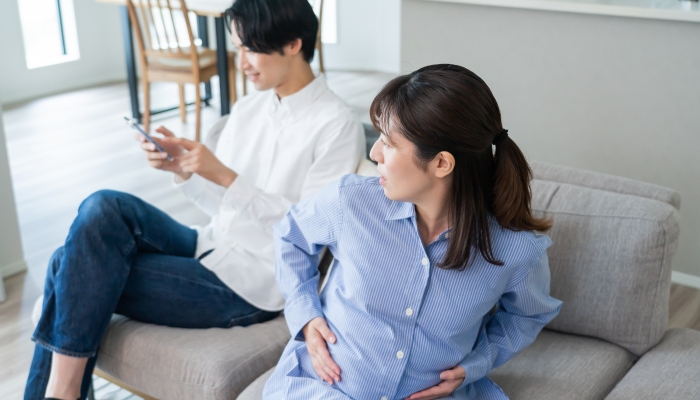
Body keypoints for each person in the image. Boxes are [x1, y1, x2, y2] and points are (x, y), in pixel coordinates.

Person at [24, 0, 364, 398]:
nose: (241, 63)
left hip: (254, 282)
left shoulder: (336, 126)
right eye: (237, 49)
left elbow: (310, 231)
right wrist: (185, 170)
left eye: (250, 48)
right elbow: (224, 207)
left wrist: (223, 174)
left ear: (292, 43)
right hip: (210, 244)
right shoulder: (249, 108)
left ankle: (59, 394)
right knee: (104, 206)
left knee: (67, 263)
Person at [264, 64, 563, 400]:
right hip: (321, 390)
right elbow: (291, 236)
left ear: (441, 164)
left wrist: (477, 364)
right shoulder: (352, 202)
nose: (374, 153)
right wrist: (305, 314)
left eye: (388, 143)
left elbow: (528, 314)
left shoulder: (515, 251)